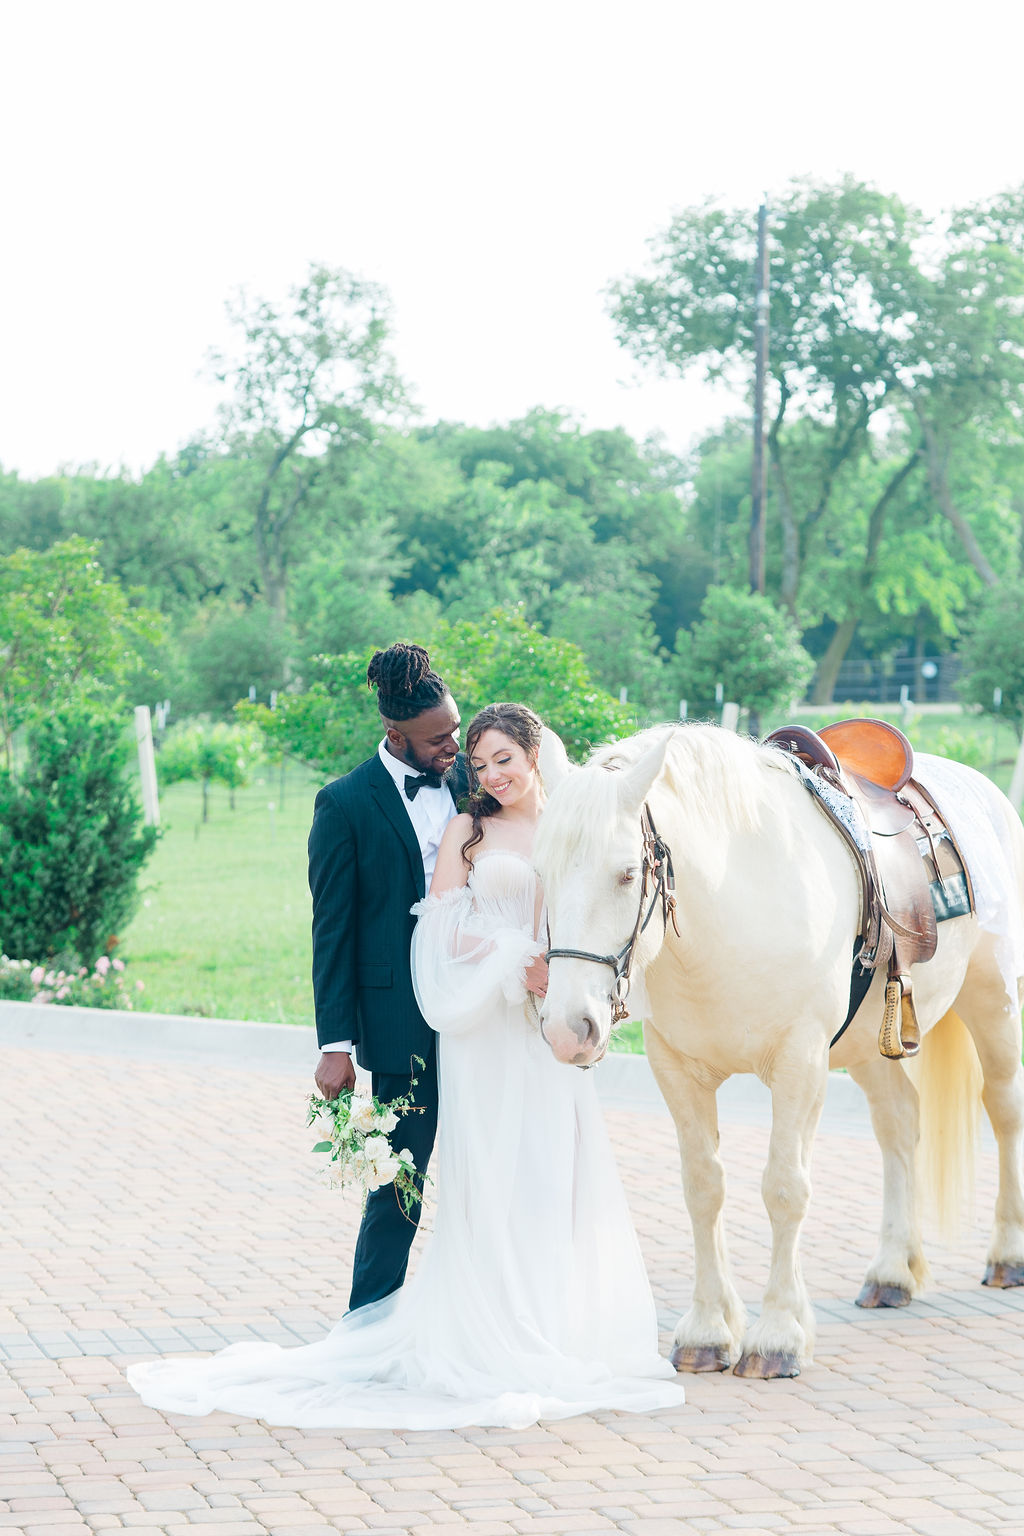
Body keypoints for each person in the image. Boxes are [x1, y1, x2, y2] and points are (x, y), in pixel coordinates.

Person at [126, 701, 682, 1429]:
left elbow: (601, 911)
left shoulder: (568, 824)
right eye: (478, 761)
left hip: (545, 1026)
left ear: (535, 754)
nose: (484, 771)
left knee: (554, 1171)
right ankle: (473, 1333)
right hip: (483, 1026)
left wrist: (596, 990)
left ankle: (555, 1325)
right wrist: (519, 964)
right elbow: (440, 929)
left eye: (500, 759)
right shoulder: (464, 824)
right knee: (475, 1176)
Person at [308, 641, 468, 1311]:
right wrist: (335, 1044)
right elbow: (332, 932)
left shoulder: (469, 781)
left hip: (475, 1009)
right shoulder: (343, 804)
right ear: (394, 734)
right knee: (401, 1179)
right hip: (398, 1022)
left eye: (455, 729)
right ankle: (368, 1321)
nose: (452, 746)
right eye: (438, 739)